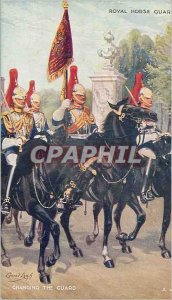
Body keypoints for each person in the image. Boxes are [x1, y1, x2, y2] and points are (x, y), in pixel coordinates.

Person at [52, 66, 98, 208]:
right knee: (69, 166)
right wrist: (61, 108)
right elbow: (55, 122)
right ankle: (62, 193)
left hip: (86, 143)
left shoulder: (87, 111)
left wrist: (97, 132)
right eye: (79, 95)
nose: (82, 98)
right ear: (73, 95)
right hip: (71, 142)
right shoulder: (67, 110)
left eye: (83, 95)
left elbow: (93, 127)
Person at [1, 85, 34, 215]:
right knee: (14, 163)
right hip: (12, 150)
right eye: (19, 98)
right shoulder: (6, 118)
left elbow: (34, 134)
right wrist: (15, 141)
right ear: (13, 99)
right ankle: (7, 199)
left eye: (23, 98)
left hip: (28, 150)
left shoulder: (29, 117)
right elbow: (1, 140)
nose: (22, 101)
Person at [136, 87, 161, 203]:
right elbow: (132, 129)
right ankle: (144, 191)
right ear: (141, 98)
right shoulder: (135, 112)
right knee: (152, 157)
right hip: (141, 142)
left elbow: (156, 129)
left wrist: (161, 133)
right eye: (147, 98)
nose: (150, 100)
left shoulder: (152, 113)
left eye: (151, 98)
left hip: (154, 141)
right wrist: (141, 125)